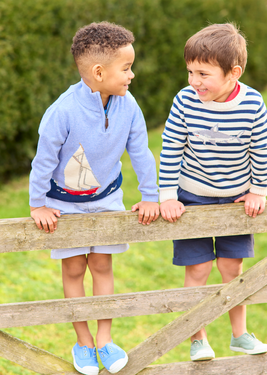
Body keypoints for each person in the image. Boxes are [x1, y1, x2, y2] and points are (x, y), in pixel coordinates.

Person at [29, 21, 159, 375]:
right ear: (99, 72)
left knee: (102, 264)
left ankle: (105, 339)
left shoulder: (128, 105)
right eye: (127, 68)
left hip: (107, 197)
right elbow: (43, 161)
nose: (132, 75)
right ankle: (83, 342)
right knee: (74, 268)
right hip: (64, 202)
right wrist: (38, 203)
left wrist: (150, 195)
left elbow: (141, 152)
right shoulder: (62, 112)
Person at [159, 23, 267, 361]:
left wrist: (258, 190)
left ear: (233, 73)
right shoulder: (184, 101)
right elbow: (170, 149)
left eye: (204, 74)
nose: (194, 81)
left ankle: (240, 335)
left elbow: (262, 149)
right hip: (192, 194)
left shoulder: (252, 104)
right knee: (197, 270)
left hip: (235, 198)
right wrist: (167, 195)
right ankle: (198, 338)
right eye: (191, 71)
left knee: (231, 268)